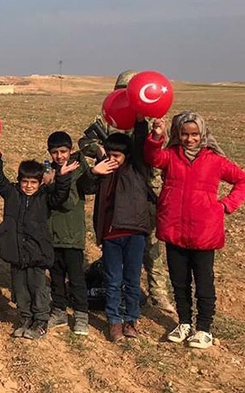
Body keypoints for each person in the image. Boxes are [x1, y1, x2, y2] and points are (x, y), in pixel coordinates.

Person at [146, 112, 245, 348]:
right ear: (177, 134)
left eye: (194, 134)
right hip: (174, 229)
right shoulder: (171, 156)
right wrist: (156, 136)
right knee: (179, 281)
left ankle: (204, 329)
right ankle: (184, 322)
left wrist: (226, 204)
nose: (189, 139)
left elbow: (244, 180)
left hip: (204, 232)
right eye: (184, 133)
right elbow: (153, 157)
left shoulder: (214, 160)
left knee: (204, 283)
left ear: (202, 134)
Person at [78, 70, 175, 314]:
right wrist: (99, 151)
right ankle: (118, 290)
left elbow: (159, 153)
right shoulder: (109, 118)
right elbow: (84, 141)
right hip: (113, 191)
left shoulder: (150, 120)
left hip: (144, 192)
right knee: (115, 243)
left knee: (150, 248)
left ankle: (158, 295)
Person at [0, 141, 78, 340]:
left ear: (40, 183)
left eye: (33, 183)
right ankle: (26, 318)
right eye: (25, 182)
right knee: (20, 289)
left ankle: (41, 321)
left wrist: (62, 178)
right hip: (17, 253)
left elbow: (60, 197)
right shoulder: (12, 194)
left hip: (37, 253)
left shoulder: (45, 197)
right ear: (19, 181)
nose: (29, 186)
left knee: (38, 289)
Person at [77, 122, 154, 343]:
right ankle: (114, 322)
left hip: (134, 233)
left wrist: (140, 119)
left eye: (117, 156)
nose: (112, 159)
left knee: (131, 279)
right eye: (109, 154)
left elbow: (140, 142)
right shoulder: (103, 170)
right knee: (112, 280)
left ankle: (131, 320)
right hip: (111, 235)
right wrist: (93, 171)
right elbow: (85, 188)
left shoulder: (137, 168)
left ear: (127, 156)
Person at [45, 131, 91, 336]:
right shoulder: (48, 171)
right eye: (54, 152)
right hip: (53, 234)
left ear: (70, 150)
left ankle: (81, 315)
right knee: (56, 277)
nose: (59, 156)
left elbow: (70, 201)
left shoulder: (77, 170)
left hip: (72, 235)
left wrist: (61, 180)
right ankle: (59, 311)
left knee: (76, 278)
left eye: (63, 151)